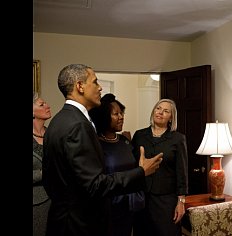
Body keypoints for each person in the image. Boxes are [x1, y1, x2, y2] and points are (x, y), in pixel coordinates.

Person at [42, 64, 163, 236]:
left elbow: (51, 181)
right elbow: (95, 185)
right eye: (95, 82)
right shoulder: (78, 125)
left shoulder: (59, 120)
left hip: (63, 219)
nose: (100, 88)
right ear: (80, 86)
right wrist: (141, 172)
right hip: (79, 224)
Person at [89, 93, 145, 236]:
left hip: (130, 206)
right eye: (116, 114)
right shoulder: (96, 144)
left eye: (122, 113)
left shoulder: (125, 141)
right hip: (107, 208)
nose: (121, 117)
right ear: (103, 117)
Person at [131, 98, 188, 236]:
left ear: (171, 117)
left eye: (166, 111)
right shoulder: (139, 135)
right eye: (158, 108)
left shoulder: (178, 138)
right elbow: (132, 165)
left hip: (166, 200)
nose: (160, 112)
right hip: (142, 197)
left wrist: (181, 202)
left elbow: (182, 172)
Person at [33, 92, 52, 236]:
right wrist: (44, 173)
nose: (47, 106)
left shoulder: (53, 133)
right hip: (36, 205)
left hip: (58, 201)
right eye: (41, 104)